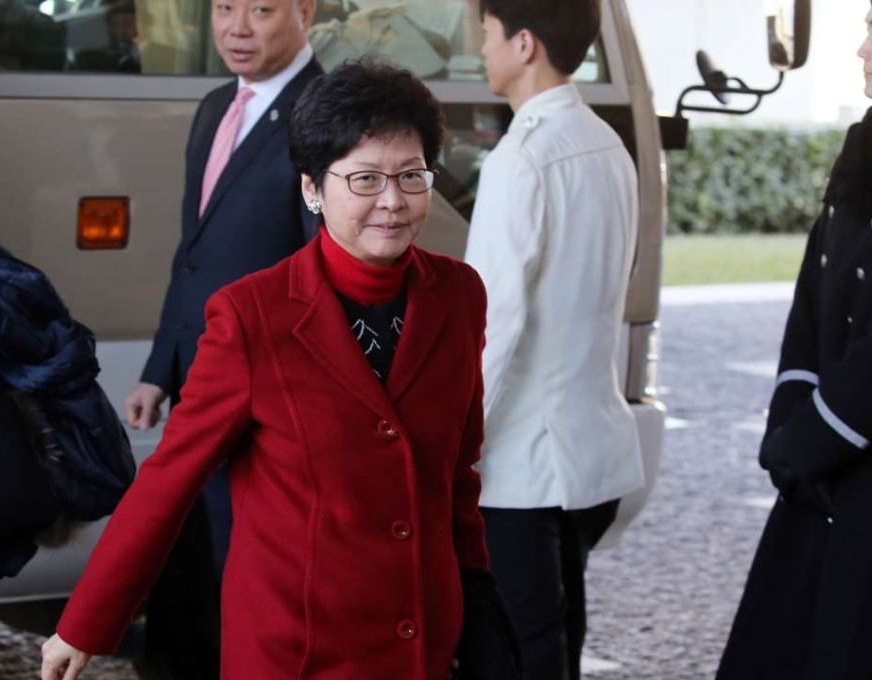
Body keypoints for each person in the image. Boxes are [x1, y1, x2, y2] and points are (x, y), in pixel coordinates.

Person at [40, 60, 519, 680]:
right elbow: (170, 480)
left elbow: (458, 476)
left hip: (422, 642)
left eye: (412, 175)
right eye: (366, 179)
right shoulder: (251, 316)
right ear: (312, 190)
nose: (394, 201)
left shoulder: (458, 295)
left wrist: (472, 605)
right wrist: (85, 623)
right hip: (296, 651)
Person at [120, 0, 321, 675]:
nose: (236, 27)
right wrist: (159, 366)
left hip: (270, 406)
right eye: (224, 7)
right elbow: (194, 252)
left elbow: (325, 274)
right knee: (186, 573)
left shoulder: (325, 114)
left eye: (261, 9)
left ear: (305, 11)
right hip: (200, 386)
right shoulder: (214, 107)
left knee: (251, 585)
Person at [717, 3, 872, 678]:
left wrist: (813, 445)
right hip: (823, 477)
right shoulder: (869, 142)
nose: (862, 49)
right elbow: (811, 302)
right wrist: (788, 429)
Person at [462, 0, 643, 678]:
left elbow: (493, 321)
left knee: (517, 653)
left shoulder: (522, 157)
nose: (481, 50)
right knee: (558, 641)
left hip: (521, 464)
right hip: (590, 451)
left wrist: (453, 441)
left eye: (485, 35)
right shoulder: (607, 144)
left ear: (524, 43)